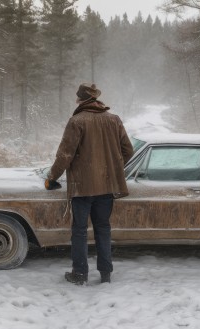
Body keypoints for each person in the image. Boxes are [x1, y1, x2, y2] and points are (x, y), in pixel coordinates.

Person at [46, 83, 134, 285]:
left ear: (80, 100)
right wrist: (112, 168)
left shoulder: (77, 121)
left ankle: (79, 274)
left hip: (82, 187)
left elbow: (65, 155)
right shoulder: (114, 120)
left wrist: (52, 177)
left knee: (79, 231)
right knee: (103, 228)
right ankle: (105, 274)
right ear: (96, 100)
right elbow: (128, 151)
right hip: (107, 186)